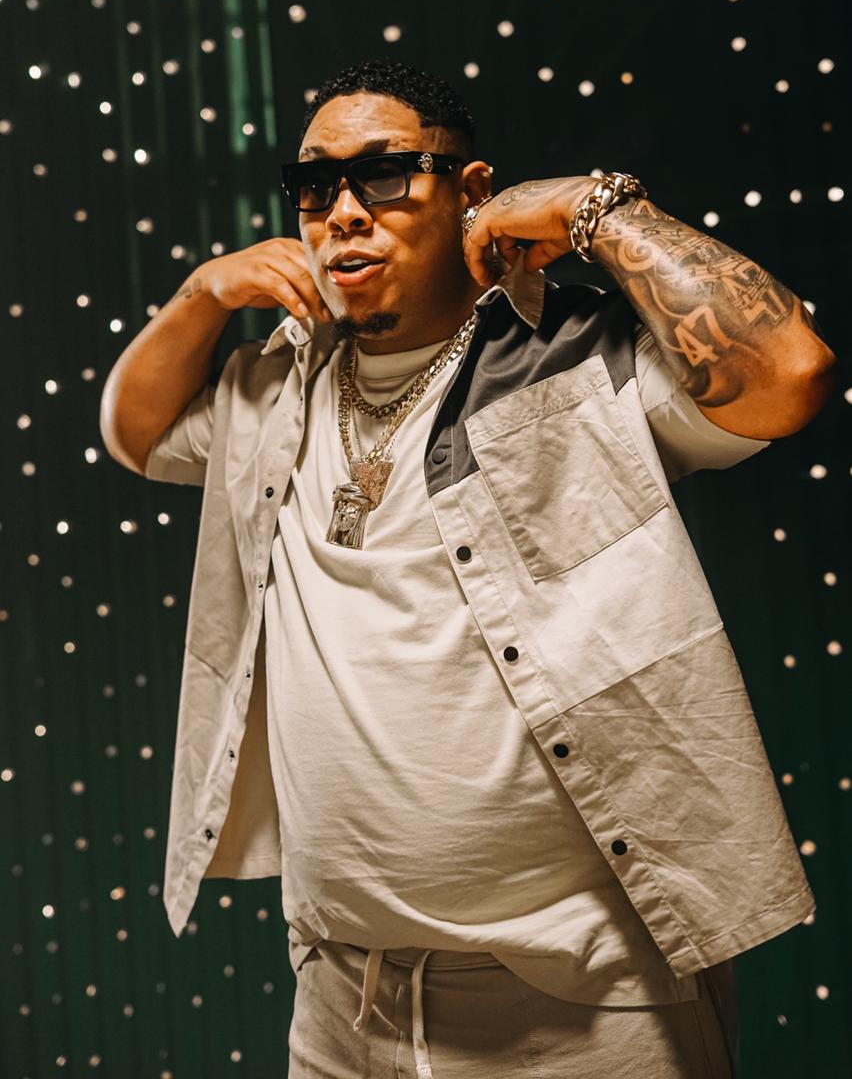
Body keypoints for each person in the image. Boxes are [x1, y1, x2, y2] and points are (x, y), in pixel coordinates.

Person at [100, 59, 837, 1077]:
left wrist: (595, 209)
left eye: (386, 174)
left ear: (471, 188)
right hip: (345, 996)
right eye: (315, 186)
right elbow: (135, 433)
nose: (344, 212)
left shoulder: (582, 355)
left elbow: (790, 371)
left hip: (593, 1002)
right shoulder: (275, 381)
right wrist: (201, 294)